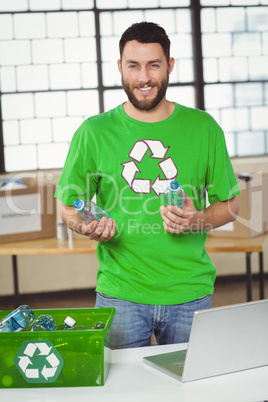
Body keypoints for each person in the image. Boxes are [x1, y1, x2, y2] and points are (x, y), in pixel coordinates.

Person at [55, 21, 240, 349]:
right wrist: (87, 227)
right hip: (121, 294)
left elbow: (230, 206)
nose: (143, 77)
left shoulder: (204, 128)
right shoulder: (94, 132)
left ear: (169, 65)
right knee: (122, 394)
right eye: (134, 66)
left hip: (190, 294)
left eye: (153, 65)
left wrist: (196, 220)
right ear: (120, 68)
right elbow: (70, 206)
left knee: (191, 391)